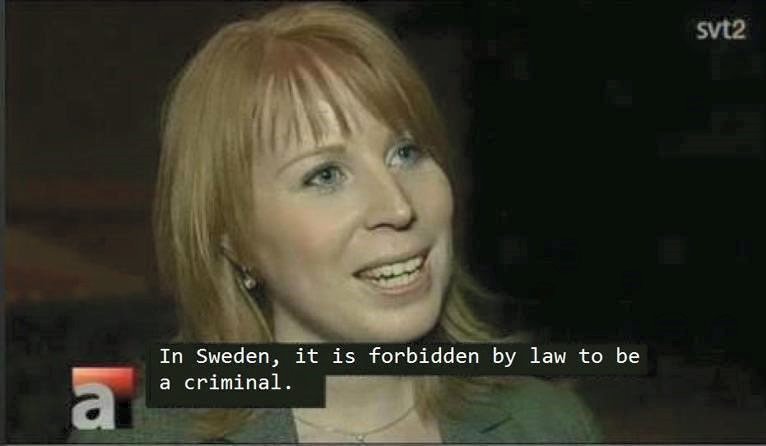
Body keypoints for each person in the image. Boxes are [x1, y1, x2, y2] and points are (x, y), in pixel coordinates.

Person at [70, 2, 603, 443]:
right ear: (235, 241)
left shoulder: (547, 425)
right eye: (324, 175)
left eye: (406, 152)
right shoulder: (131, 434)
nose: (398, 207)